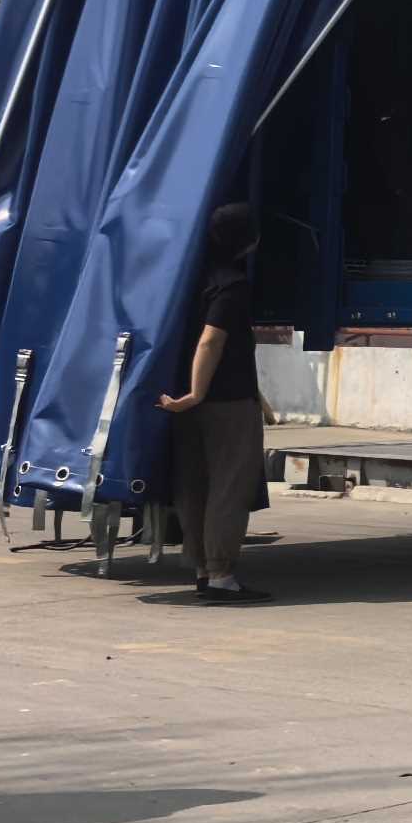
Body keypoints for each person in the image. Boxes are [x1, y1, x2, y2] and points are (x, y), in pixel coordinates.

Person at [154, 199, 270, 602]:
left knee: (194, 486)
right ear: (249, 240)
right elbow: (212, 338)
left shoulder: (188, 277)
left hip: (186, 403)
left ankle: (203, 569)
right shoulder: (232, 284)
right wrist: (197, 392)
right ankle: (222, 574)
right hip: (224, 401)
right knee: (229, 488)